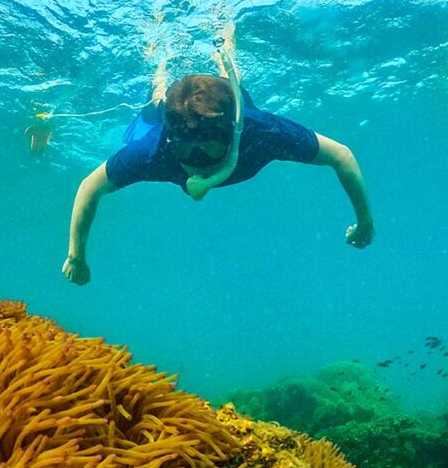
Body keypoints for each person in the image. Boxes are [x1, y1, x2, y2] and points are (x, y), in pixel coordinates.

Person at [61, 31, 374, 286]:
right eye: (184, 148)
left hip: (235, 107)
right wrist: (76, 255)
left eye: (207, 147)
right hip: (162, 118)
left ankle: (225, 46)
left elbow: (341, 155)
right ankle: (160, 76)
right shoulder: (154, 150)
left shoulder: (261, 132)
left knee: (233, 82)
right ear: (172, 141)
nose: (197, 159)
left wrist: (365, 221)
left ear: (231, 135)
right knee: (155, 105)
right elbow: (91, 186)